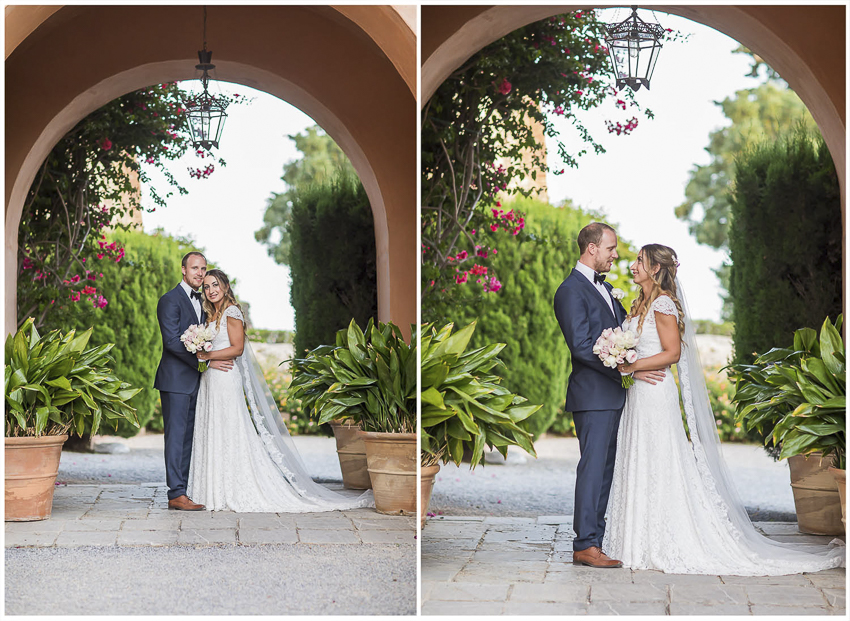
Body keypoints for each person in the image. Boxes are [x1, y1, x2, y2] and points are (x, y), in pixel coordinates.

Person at [606, 243, 844, 575]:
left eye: (639, 261)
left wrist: (632, 365)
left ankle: (661, 538)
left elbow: (672, 353)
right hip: (640, 395)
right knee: (640, 458)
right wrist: (625, 363)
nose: (632, 266)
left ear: (655, 269)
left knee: (659, 460)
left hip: (655, 395)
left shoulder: (662, 304)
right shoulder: (639, 304)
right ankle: (634, 538)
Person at [188, 269, 373, 512]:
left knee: (229, 429)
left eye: (215, 285)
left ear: (225, 286)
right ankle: (212, 488)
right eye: (207, 287)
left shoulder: (232, 312)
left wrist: (207, 354)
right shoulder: (210, 315)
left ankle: (232, 488)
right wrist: (203, 355)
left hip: (225, 379)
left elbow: (238, 348)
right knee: (213, 428)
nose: (211, 290)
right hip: (211, 379)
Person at [553, 223, 666, 568]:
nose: (615, 255)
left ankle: (595, 541)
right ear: (591, 248)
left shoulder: (606, 288)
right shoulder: (570, 290)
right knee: (593, 469)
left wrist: (630, 365)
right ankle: (585, 544)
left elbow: (620, 336)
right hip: (593, 395)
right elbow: (583, 347)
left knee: (604, 470)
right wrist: (628, 368)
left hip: (613, 395)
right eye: (611, 249)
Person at [154, 251, 232, 511]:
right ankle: (176, 493)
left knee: (189, 438)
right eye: (195, 268)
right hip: (175, 381)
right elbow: (172, 342)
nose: (200, 273)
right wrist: (206, 361)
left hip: (197, 382)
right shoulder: (169, 300)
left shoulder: (205, 303)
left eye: (203, 268)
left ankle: (184, 490)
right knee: (176, 438)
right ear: (183, 270)